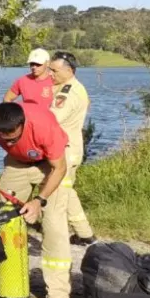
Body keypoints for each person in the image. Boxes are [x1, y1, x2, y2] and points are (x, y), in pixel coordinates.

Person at [0, 101, 73, 298]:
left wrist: (39, 200)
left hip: (50, 165)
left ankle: (57, 295)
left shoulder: (43, 125)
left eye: (14, 138)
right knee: (0, 219)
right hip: (17, 164)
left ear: (23, 124)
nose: (9, 142)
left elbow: (60, 167)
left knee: (54, 226)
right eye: (4, 139)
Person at [47, 51, 97, 246]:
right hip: (71, 149)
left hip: (65, 151)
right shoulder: (74, 88)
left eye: (54, 70)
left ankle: (57, 242)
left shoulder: (67, 93)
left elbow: (52, 119)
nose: (50, 74)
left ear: (69, 71)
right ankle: (85, 233)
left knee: (59, 198)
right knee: (67, 191)